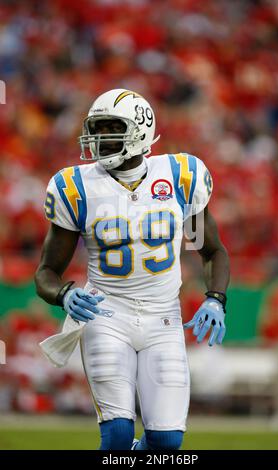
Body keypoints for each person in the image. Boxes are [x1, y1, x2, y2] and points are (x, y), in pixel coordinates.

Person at [35, 88, 230, 450]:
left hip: (164, 319)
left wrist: (216, 298)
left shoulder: (179, 176)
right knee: (117, 434)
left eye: (111, 129)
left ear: (139, 131)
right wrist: (64, 294)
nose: (99, 140)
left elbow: (212, 251)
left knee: (167, 442)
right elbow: (46, 271)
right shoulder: (74, 186)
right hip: (105, 313)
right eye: (96, 129)